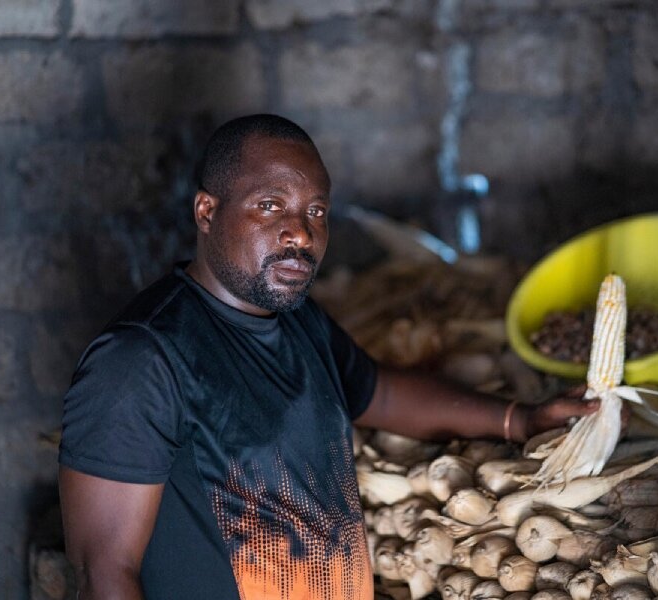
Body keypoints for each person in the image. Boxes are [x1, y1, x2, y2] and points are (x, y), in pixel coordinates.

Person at [58, 114, 597, 600]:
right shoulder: (140, 359)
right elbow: (103, 573)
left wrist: (517, 419)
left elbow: (377, 391)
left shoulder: (298, 320)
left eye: (316, 211)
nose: (301, 232)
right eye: (271, 205)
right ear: (207, 211)